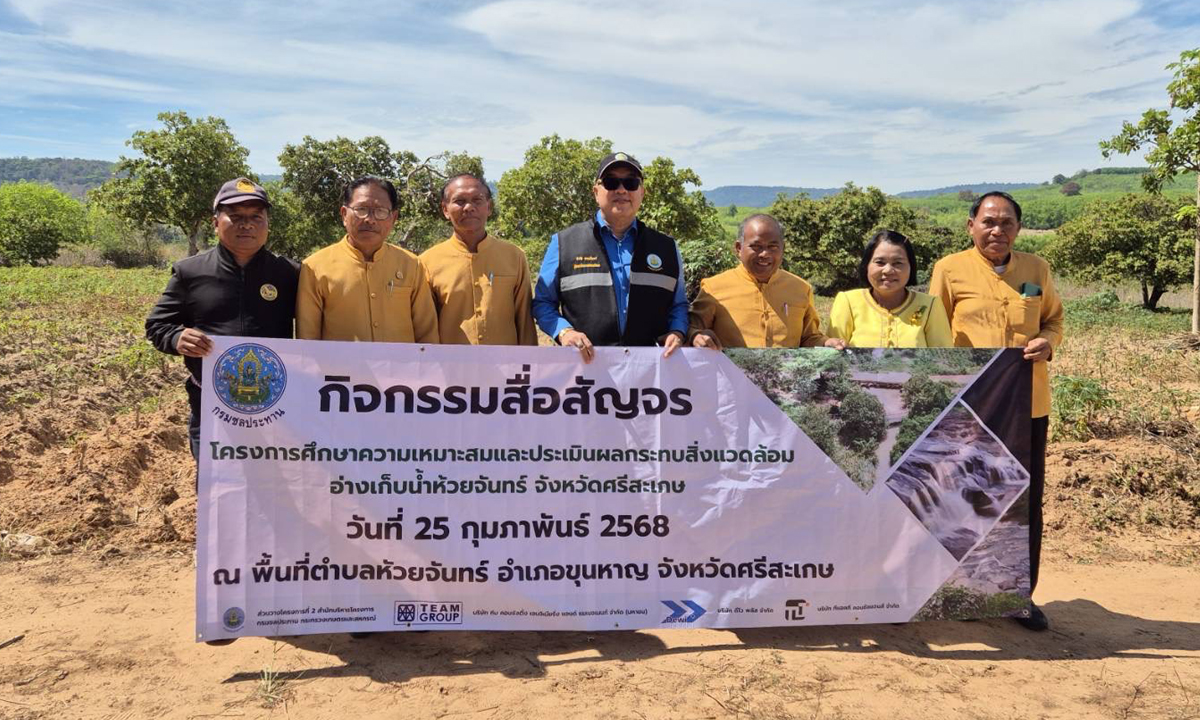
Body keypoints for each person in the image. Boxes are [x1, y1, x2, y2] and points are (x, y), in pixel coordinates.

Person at [929, 191, 1064, 632]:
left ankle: (1019, 595)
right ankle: (966, 589)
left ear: (1018, 229)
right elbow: (935, 336)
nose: (997, 230)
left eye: (1006, 223)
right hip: (972, 406)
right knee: (969, 494)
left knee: (1023, 498)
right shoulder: (949, 271)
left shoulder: (1036, 270)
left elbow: (1053, 322)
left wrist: (1048, 342)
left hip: (1027, 404)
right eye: (988, 221)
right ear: (971, 225)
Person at [145, 177, 298, 462]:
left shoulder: (290, 274)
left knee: (273, 487)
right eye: (236, 216)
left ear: (267, 224)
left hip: (278, 405)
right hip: (211, 406)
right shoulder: (190, 273)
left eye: (256, 217)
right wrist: (178, 338)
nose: (246, 224)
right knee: (217, 490)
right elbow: (157, 326)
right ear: (216, 222)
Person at [532, 152, 688, 362]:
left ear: (642, 192)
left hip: (651, 372)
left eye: (631, 183)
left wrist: (678, 332)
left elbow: (679, 305)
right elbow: (543, 303)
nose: (621, 189)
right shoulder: (563, 243)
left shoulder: (667, 247)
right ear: (596, 191)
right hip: (585, 373)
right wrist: (564, 332)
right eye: (611, 182)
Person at [296, 177, 438, 344]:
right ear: (344, 214)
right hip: (341, 369)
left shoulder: (412, 265)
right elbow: (308, 340)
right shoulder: (315, 268)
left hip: (402, 370)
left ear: (393, 218)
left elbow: (427, 335)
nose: (370, 219)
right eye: (361, 209)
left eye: (380, 211)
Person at [688, 213, 845, 350]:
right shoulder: (714, 287)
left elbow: (808, 338)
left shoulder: (800, 288)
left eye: (772, 246)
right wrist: (696, 336)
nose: (765, 254)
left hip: (784, 381)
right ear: (738, 248)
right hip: (731, 380)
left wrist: (826, 343)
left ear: (782, 248)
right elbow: (692, 330)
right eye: (756, 246)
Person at [420, 173, 537, 345]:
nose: (469, 207)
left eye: (477, 200)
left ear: (489, 207)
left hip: (505, 366)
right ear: (445, 209)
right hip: (452, 367)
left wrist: (530, 364)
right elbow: (426, 329)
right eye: (459, 201)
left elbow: (525, 321)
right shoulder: (427, 262)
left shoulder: (514, 257)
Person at [827, 230, 952, 348]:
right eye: (880, 262)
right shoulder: (848, 301)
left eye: (898, 263)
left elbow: (943, 357)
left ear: (911, 267)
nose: (888, 270)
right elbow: (833, 356)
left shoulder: (930, 305)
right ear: (867, 265)